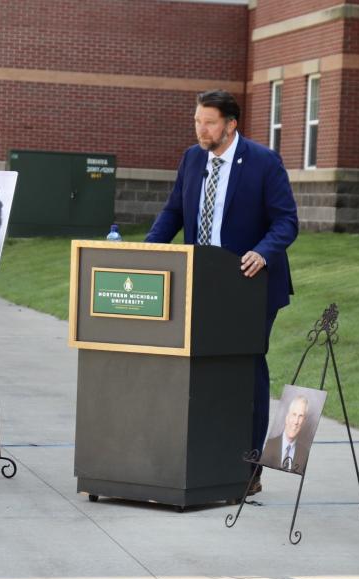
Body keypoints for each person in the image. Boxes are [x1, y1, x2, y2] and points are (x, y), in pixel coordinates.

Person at [144, 90, 299, 494]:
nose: (201, 129)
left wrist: (263, 253)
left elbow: (286, 222)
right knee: (203, 368)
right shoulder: (192, 158)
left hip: (251, 285)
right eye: (197, 121)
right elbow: (174, 211)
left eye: (209, 122)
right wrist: (146, 252)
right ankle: (207, 458)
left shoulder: (264, 162)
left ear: (231, 124)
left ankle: (250, 467)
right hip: (202, 283)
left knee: (248, 370)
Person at [261, 396, 310, 472]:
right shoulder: (270, 445)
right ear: (287, 417)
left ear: (304, 422)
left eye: (300, 416)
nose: (296, 422)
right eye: (294, 414)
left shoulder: (304, 453)